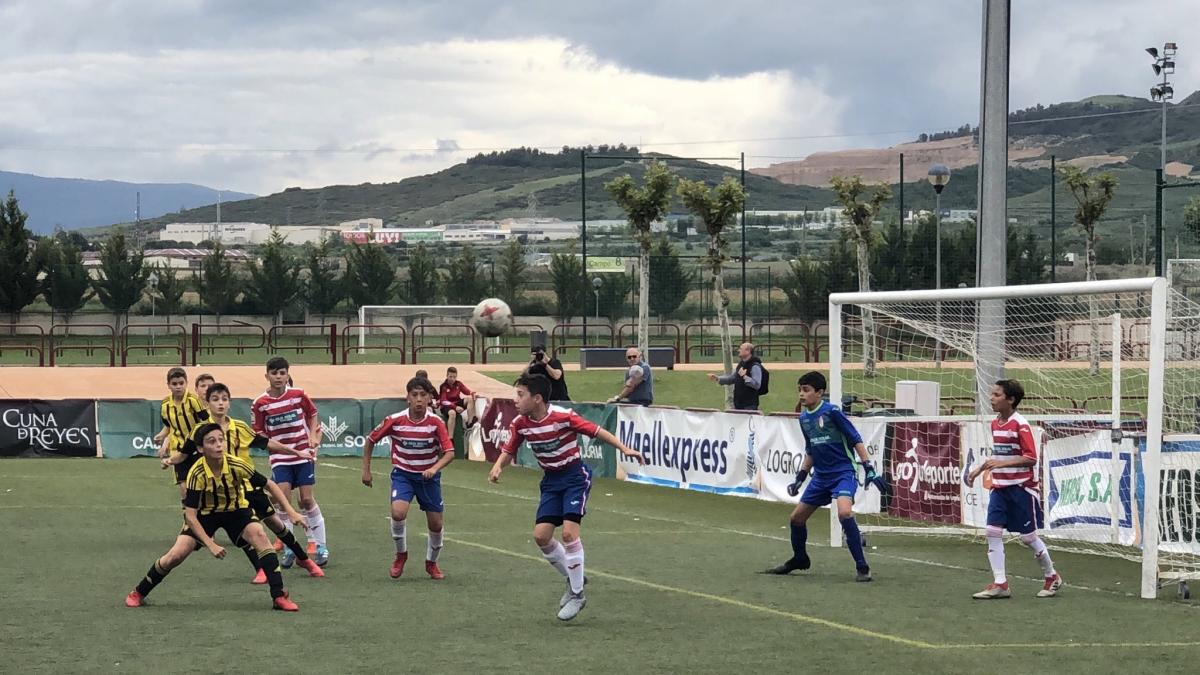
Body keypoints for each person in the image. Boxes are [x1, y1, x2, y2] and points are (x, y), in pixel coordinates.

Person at [489, 374, 645, 621]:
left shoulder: (563, 416)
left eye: (520, 394)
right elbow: (510, 449)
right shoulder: (521, 423)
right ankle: (575, 576)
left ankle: (577, 594)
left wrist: (624, 448)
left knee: (570, 534)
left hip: (574, 477)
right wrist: (499, 465)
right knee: (541, 537)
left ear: (537, 398)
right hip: (550, 482)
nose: (515, 400)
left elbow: (597, 431)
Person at [124, 423, 307, 611]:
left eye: (221, 440)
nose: (219, 445)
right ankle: (139, 592)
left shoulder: (236, 464)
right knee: (175, 556)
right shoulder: (196, 473)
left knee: (260, 536)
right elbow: (191, 516)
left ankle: (279, 596)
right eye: (212, 441)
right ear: (200, 449)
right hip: (205, 516)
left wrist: (291, 512)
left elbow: (269, 484)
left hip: (236, 511)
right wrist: (210, 544)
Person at [163, 383, 325, 582]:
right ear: (207, 403)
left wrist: (294, 451)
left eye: (224, 399)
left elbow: (266, 443)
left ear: (229, 403)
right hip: (221, 492)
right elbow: (184, 453)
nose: (220, 404)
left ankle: (303, 559)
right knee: (244, 528)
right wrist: (170, 459)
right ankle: (261, 569)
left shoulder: (239, 427)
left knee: (275, 524)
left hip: (247, 484)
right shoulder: (200, 431)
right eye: (215, 399)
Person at [766, 371, 885, 582]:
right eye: (800, 390)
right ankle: (800, 558)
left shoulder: (832, 412)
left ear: (819, 393)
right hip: (821, 478)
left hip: (843, 473)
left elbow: (855, 439)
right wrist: (800, 478)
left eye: (806, 390)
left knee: (845, 514)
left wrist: (869, 467)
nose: (801, 394)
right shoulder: (804, 419)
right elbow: (811, 450)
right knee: (796, 519)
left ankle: (862, 567)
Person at [966, 379, 1063, 599]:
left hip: (1021, 488)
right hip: (1000, 488)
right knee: (992, 531)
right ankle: (1001, 583)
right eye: (992, 394)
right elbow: (1000, 455)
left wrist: (1001, 464)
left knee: (1028, 537)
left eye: (997, 395)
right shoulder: (995, 423)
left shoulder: (1021, 424)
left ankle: (1052, 575)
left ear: (1010, 400)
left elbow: (1031, 458)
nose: (992, 398)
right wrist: (980, 468)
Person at [362, 377, 455, 581]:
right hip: (403, 474)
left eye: (423, 395)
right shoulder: (395, 419)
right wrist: (366, 470)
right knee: (398, 512)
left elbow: (449, 452)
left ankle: (431, 563)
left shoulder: (436, 422)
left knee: (436, 524)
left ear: (430, 398)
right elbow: (370, 440)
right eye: (415, 395)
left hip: (428, 479)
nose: (419, 399)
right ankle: (401, 555)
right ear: (408, 398)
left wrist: (434, 467)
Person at [252, 357, 328, 567]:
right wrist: (272, 448)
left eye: (282, 373)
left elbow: (313, 414)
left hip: (303, 454)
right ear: (266, 375)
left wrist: (312, 436)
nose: (278, 377)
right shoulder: (260, 403)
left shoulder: (298, 395)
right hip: (280, 458)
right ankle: (289, 549)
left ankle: (321, 546)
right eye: (274, 373)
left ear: (287, 375)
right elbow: (259, 433)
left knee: (306, 500)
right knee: (283, 501)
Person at [153, 367, 209, 498]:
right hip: (179, 450)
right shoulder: (165, 405)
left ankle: (200, 516)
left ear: (186, 383)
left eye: (181, 383)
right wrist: (162, 435)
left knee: (200, 486)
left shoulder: (193, 401)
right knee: (184, 488)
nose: (178, 387)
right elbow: (168, 426)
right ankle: (187, 518)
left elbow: (206, 422)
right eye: (174, 384)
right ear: (168, 385)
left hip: (197, 449)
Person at [708, 342, 766, 411]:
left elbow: (757, 385)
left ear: (748, 351)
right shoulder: (741, 364)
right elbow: (732, 378)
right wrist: (718, 378)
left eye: (741, 349)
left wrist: (745, 377)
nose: (738, 350)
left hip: (749, 406)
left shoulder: (755, 366)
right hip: (738, 404)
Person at [437, 366, 476, 433]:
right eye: (450, 376)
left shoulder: (458, 383)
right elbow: (443, 401)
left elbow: (465, 391)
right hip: (447, 406)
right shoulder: (443, 386)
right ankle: (450, 438)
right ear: (447, 376)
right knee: (452, 413)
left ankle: (469, 423)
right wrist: (455, 407)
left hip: (457, 402)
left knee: (470, 400)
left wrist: (471, 392)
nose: (452, 379)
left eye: (454, 377)